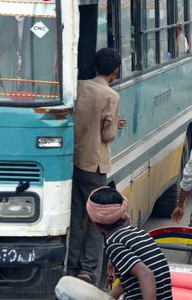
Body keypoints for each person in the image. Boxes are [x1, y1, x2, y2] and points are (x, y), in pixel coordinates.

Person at [68, 48, 126, 284]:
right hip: (95, 164)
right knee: (96, 218)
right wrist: (116, 126)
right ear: (115, 70)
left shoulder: (79, 86)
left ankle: (70, 265)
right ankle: (88, 270)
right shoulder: (110, 96)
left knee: (75, 215)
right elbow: (107, 134)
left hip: (74, 159)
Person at [56, 186, 172, 300]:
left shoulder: (114, 244)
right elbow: (128, 280)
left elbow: (146, 274)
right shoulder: (137, 232)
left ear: (96, 224)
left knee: (64, 285)